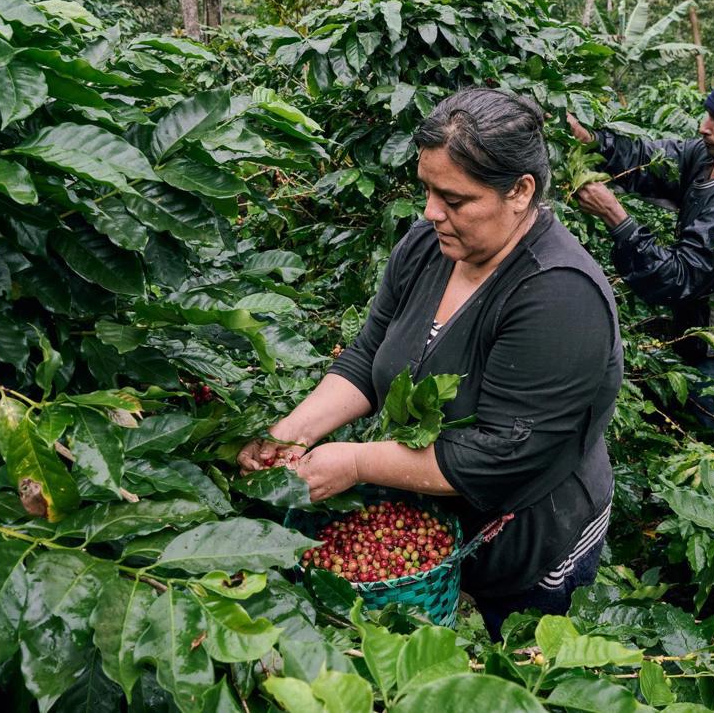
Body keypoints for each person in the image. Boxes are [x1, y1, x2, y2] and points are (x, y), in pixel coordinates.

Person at [238, 88, 623, 639]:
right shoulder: (427, 247)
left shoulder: (559, 297)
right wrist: (289, 432)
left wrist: (353, 462)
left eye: (455, 199)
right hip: (437, 521)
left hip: (532, 541)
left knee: (514, 671)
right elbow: (369, 354)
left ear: (520, 191)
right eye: (427, 190)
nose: (431, 212)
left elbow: (501, 455)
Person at [566, 69, 714, 430]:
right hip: (692, 338)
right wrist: (592, 140)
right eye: (709, 114)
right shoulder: (709, 156)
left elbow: (680, 277)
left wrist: (616, 217)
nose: (703, 127)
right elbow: (650, 158)